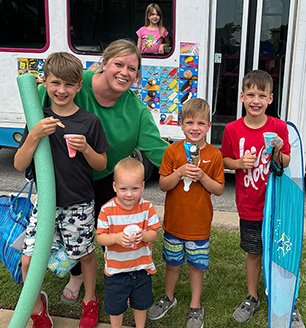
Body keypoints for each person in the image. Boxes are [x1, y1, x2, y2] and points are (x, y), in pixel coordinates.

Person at [38, 39, 169, 303]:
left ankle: (117, 273)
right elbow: (37, 110)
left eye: (132, 69)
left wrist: (208, 162)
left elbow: (159, 151)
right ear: (104, 63)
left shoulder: (137, 111)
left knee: (97, 230)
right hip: (62, 176)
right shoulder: (74, 82)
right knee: (63, 232)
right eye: (118, 64)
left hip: (104, 177)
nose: (124, 72)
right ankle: (76, 275)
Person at [15, 52, 109, 328]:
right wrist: (33, 136)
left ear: (79, 86)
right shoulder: (37, 119)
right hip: (45, 204)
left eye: (69, 84)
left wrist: (86, 149)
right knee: (28, 260)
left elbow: (101, 163)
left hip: (79, 203)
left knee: (86, 254)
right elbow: (21, 163)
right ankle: (36, 308)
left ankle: (89, 301)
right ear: (44, 82)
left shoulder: (89, 122)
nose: (61, 90)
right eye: (55, 83)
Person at [221, 69, 304, 326]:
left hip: (278, 206)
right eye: (251, 94)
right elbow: (224, 159)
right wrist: (238, 163)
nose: (256, 100)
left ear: (270, 99)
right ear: (242, 97)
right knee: (254, 252)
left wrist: (279, 151)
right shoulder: (232, 129)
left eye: (262, 95)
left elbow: (287, 161)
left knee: (282, 252)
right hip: (249, 206)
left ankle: (285, 302)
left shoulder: (279, 127)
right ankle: (252, 296)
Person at [147, 98, 225, 328]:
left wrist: (203, 177)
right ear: (181, 124)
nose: (195, 128)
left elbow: (219, 190)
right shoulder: (171, 151)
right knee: (172, 264)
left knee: (196, 266)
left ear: (209, 126)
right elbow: (163, 185)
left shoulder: (214, 155)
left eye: (201, 123)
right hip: (174, 223)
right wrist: (179, 172)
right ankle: (168, 298)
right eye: (189, 122)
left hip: (199, 226)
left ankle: (195, 305)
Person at [96, 157, 161, 328]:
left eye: (135, 188)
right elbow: (100, 237)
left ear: (143, 186)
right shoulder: (107, 210)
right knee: (115, 308)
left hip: (141, 269)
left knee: (141, 305)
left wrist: (144, 236)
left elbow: (154, 234)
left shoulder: (147, 207)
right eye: (123, 189)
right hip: (116, 271)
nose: (129, 194)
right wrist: (116, 238)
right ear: (114, 187)